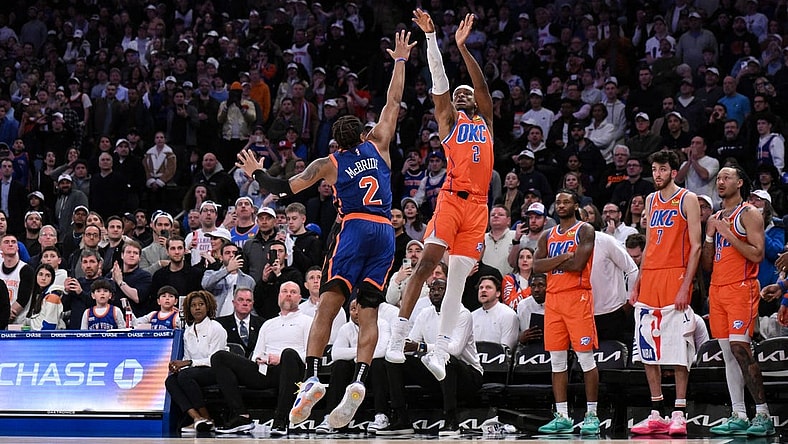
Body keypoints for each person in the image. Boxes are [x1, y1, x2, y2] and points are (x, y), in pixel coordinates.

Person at [235, 30, 415, 432]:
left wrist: (255, 172)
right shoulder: (381, 144)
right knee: (369, 312)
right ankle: (361, 381)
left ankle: (313, 378)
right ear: (365, 136)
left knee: (329, 306)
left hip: (353, 228)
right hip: (385, 230)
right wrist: (400, 59)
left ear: (337, 141)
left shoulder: (327, 164)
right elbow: (393, 102)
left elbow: (283, 188)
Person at [387, 11, 495, 385]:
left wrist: (463, 47)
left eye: (468, 94)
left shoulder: (486, 123)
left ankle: (440, 350)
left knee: (459, 280)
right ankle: (399, 334)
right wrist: (434, 41)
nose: (463, 94)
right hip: (451, 199)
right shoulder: (450, 123)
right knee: (428, 262)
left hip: (479, 207)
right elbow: (440, 84)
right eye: (458, 94)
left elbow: (480, 85)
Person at [629, 150, 702, 436]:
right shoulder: (650, 199)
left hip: (676, 276)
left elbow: (696, 246)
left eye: (662, 169)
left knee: (677, 348)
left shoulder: (688, 199)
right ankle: (656, 411)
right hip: (651, 279)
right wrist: (637, 282)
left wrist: (687, 285)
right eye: (654, 169)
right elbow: (648, 246)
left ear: (673, 172)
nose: (657, 174)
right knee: (649, 348)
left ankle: (679, 412)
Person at [701, 166, 775, 437]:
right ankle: (739, 414)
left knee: (741, 349)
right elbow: (707, 264)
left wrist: (727, 232)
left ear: (740, 182)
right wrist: (710, 235)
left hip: (741, 288)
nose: (720, 182)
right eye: (718, 178)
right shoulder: (717, 216)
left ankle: (764, 415)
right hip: (717, 289)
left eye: (726, 177)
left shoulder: (749, 213)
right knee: (729, 355)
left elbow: (757, 254)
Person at [379, 278, 482, 436]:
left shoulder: (462, 314)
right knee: (393, 360)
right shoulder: (425, 313)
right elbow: (411, 343)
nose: (435, 292)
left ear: (449, 292)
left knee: (446, 359)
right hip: (435, 373)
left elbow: (455, 349)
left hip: (468, 376)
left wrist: (421, 347)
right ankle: (401, 418)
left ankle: (451, 420)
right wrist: (400, 345)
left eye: (440, 289)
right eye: (433, 289)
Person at [533, 189, 599, 435]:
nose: (560, 205)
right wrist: (562, 257)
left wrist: (553, 262)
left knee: (585, 359)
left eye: (566, 201)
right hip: (554, 300)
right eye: (557, 201)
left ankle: (592, 414)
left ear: (575, 205)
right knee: (557, 361)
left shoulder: (585, 230)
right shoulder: (547, 235)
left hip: (577, 297)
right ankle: (562, 416)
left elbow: (578, 264)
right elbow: (536, 266)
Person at [211, 281, 311, 435]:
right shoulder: (268, 324)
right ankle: (241, 415)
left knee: (289, 353)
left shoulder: (307, 322)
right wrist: (260, 358)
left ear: (300, 297)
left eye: (293, 292)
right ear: (279, 296)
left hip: (292, 371)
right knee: (220, 357)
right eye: (284, 291)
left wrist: (280, 358)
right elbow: (256, 354)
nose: (288, 294)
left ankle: (281, 418)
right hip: (265, 371)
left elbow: (310, 354)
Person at [165, 290, 226, 434]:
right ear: (188, 309)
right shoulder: (188, 331)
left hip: (216, 370)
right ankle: (196, 418)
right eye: (193, 305)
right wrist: (178, 368)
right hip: (195, 372)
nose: (197, 308)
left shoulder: (216, 328)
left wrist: (188, 363)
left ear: (208, 306)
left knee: (186, 375)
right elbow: (187, 357)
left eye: (201, 304)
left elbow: (215, 360)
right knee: (171, 380)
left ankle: (207, 417)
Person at [201, 242, 255, 317]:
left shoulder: (248, 280)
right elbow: (205, 285)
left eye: (234, 253)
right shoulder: (210, 273)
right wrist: (227, 270)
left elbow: (251, 306)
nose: (231, 255)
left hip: (239, 322)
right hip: (217, 319)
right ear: (221, 257)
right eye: (227, 253)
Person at [471, 275, 518, 350]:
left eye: (488, 287)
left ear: (498, 293)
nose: (483, 290)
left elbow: (507, 347)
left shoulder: (508, 314)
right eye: (481, 288)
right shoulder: (472, 316)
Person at [216, 287, 263, 358]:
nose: (245, 303)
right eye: (241, 300)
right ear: (234, 303)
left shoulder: (262, 324)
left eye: (248, 300)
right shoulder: (220, 324)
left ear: (252, 304)